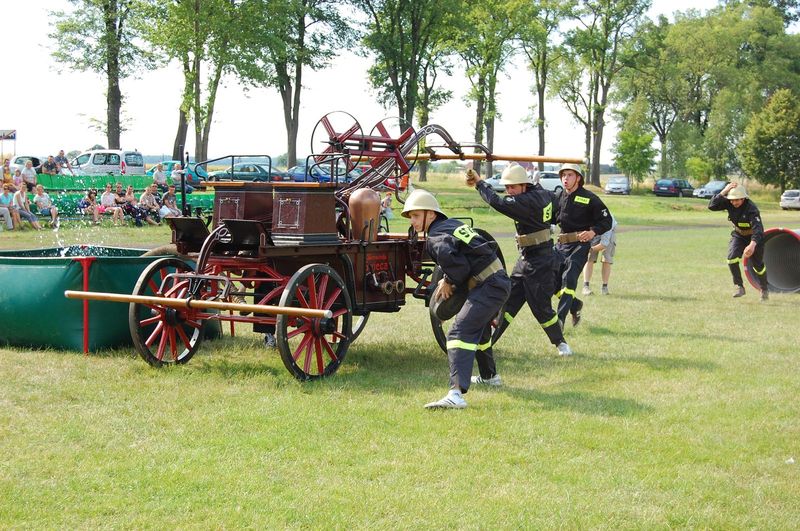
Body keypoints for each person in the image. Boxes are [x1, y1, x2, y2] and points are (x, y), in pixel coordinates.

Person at [402, 189, 510, 410]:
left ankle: (456, 394)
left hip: (489, 285)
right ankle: (490, 377)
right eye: (410, 216)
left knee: (458, 332)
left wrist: (448, 281)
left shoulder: (435, 237)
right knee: (479, 329)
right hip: (497, 281)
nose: (412, 221)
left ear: (430, 214)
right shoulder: (451, 225)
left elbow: (459, 268)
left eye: (415, 215)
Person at [466, 164, 573, 357]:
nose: (509, 191)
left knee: (541, 308)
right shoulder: (543, 193)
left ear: (524, 184)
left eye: (512, 187)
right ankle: (487, 345)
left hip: (541, 263)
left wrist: (480, 183)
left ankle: (561, 344)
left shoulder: (526, 201)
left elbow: (497, 202)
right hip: (527, 259)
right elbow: (559, 206)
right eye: (507, 187)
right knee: (507, 302)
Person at [554, 163, 613, 328]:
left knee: (569, 278)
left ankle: (560, 320)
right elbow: (550, 217)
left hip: (580, 245)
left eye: (570, 175)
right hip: (561, 245)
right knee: (551, 280)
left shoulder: (590, 198)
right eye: (563, 175)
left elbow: (606, 220)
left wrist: (593, 232)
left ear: (578, 178)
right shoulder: (559, 196)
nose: (565, 178)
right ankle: (575, 305)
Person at [708, 182, 769, 301]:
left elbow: (758, 230)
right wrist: (723, 192)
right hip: (739, 235)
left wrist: (752, 245)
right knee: (731, 258)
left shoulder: (752, 208)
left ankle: (764, 289)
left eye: (737, 200)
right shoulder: (729, 203)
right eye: (732, 200)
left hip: (754, 238)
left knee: (757, 266)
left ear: (744, 198)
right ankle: (739, 286)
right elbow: (712, 206)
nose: (734, 202)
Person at [582, 214, 617, 296]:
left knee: (606, 259)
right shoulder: (587, 218)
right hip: (593, 231)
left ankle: (604, 288)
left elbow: (604, 244)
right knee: (589, 258)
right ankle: (585, 287)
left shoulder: (607, 221)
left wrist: (590, 249)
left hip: (609, 233)